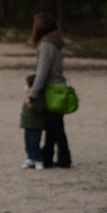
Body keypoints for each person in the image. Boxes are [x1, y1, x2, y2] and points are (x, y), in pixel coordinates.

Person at [28, 12, 71, 167]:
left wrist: (32, 93)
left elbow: (42, 73)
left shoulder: (46, 45)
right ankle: (49, 156)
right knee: (54, 126)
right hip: (59, 88)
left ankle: (63, 158)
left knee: (55, 127)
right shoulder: (55, 43)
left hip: (53, 90)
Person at [20, 73, 45, 170]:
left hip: (36, 125)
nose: (25, 88)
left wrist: (31, 106)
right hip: (28, 125)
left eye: (27, 85)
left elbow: (39, 109)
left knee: (35, 143)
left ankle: (38, 159)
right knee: (28, 143)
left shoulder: (38, 97)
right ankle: (29, 158)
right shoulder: (29, 97)